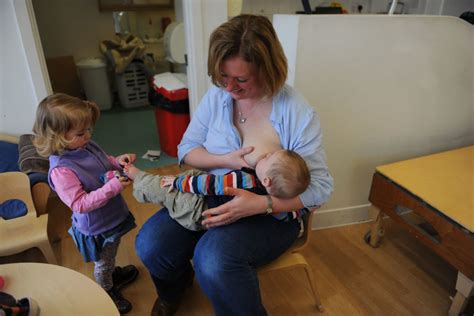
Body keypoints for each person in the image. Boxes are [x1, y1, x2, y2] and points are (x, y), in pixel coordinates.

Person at [135, 14, 333, 316]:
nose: (230, 88)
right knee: (151, 244)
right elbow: (186, 151)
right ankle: (173, 291)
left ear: (268, 70)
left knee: (212, 259)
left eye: (241, 79)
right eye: (222, 77)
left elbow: (321, 188)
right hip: (209, 197)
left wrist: (261, 204)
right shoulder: (217, 98)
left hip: (272, 213)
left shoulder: (297, 112)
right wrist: (225, 160)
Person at [33, 93, 139, 314]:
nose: (88, 135)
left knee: (111, 253)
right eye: (81, 133)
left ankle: (111, 274)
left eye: (89, 129)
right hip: (98, 226)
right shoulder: (62, 170)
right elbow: (79, 204)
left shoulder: (83, 145)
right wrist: (112, 188)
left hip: (111, 216)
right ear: (58, 137)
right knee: (103, 261)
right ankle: (106, 288)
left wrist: (117, 161)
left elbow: (103, 159)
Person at [125, 149, 310, 231]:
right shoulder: (277, 203)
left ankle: (136, 176)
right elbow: (288, 215)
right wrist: (304, 209)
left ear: (267, 179)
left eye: (268, 158)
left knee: (162, 186)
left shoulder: (243, 180)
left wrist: (178, 183)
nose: (266, 154)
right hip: (208, 217)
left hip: (196, 208)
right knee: (193, 175)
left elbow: (206, 184)